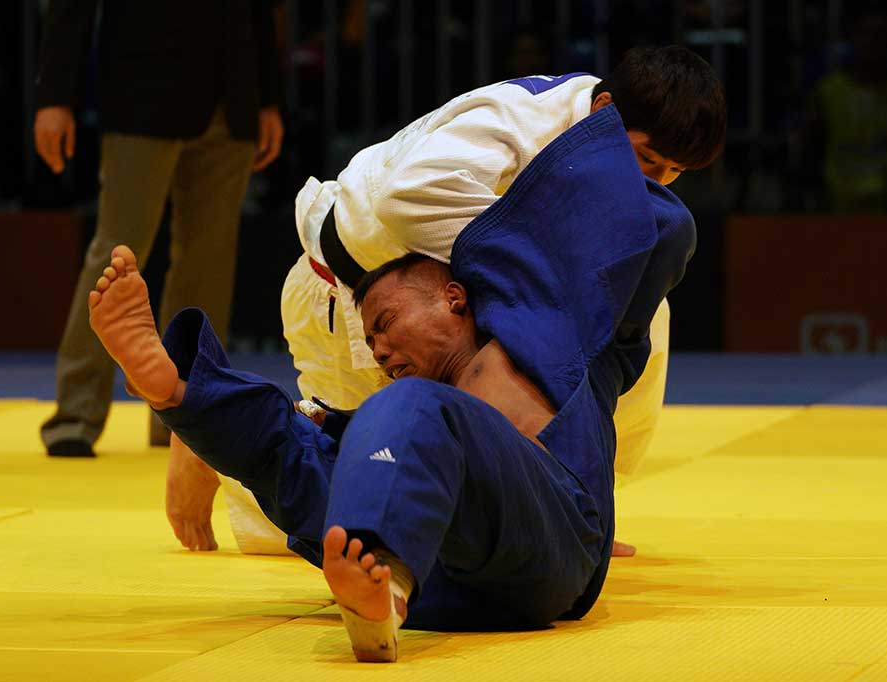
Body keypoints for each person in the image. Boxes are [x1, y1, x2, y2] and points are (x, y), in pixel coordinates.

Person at [88, 104, 696, 661]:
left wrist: (516, 235)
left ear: (454, 298)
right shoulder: (418, 417)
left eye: (385, 323)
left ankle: (383, 582)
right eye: (371, 338)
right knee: (300, 439)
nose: (377, 349)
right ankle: (175, 390)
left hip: (553, 549)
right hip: (452, 583)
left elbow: (665, 227)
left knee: (405, 410)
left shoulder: (568, 335)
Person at [165, 44, 725, 557]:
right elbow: (405, 200)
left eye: (674, 174)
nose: (655, 182)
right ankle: (228, 441)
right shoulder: (519, 123)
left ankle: (570, 492)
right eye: (648, 161)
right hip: (354, 297)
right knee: (354, 514)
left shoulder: (595, 132)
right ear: (604, 107)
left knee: (639, 311)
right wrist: (535, 273)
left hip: (434, 299)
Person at [35, 0, 285, 457]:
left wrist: (266, 97)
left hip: (230, 98)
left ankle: (186, 417)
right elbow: (70, 9)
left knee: (208, 262)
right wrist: (55, 96)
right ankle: (75, 413)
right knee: (116, 251)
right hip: (142, 93)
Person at [805, 1, 887, 211]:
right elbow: (812, 151)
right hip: (842, 214)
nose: (872, 42)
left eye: (880, 34)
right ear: (853, 36)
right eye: (865, 33)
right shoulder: (828, 92)